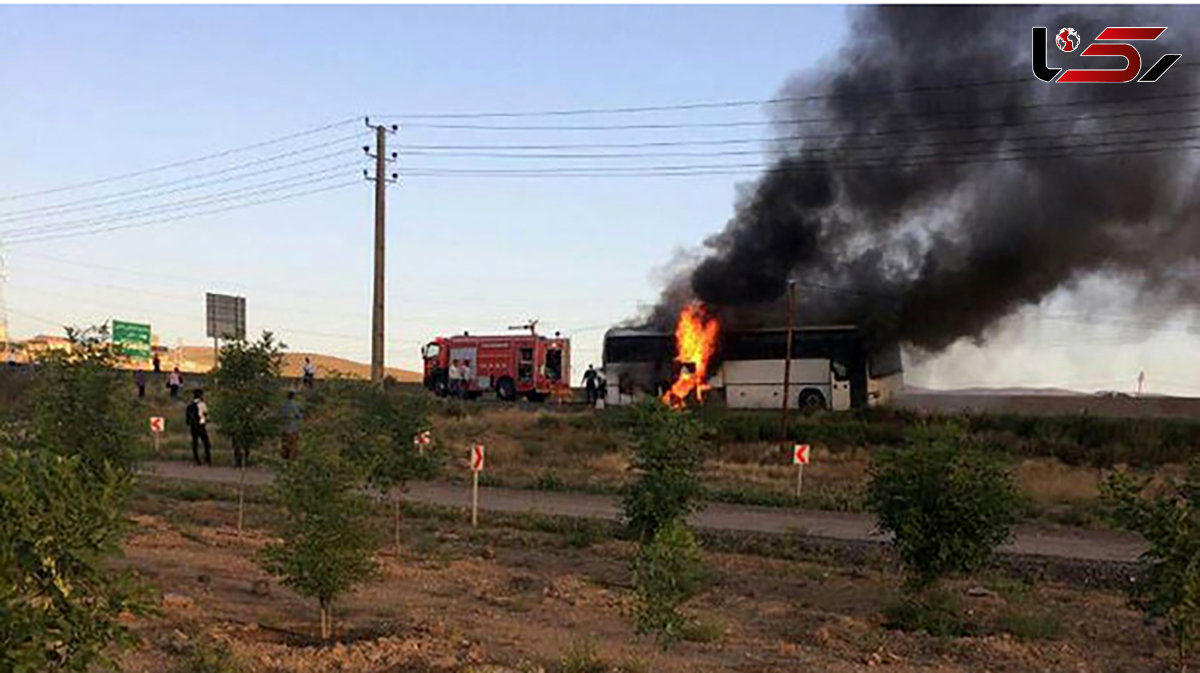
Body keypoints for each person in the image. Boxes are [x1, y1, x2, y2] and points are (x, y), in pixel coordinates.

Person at [185, 389, 212, 466]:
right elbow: (205, 413)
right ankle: (208, 459)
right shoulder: (202, 404)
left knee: (195, 443)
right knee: (206, 442)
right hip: (200, 425)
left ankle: (196, 459)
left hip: (193, 426)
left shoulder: (190, 405)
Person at [280, 390, 303, 460]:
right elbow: (298, 415)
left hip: (284, 426)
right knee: (293, 443)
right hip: (292, 427)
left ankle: (284, 455)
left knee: (285, 442)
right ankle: (292, 456)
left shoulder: (284, 404)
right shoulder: (293, 404)